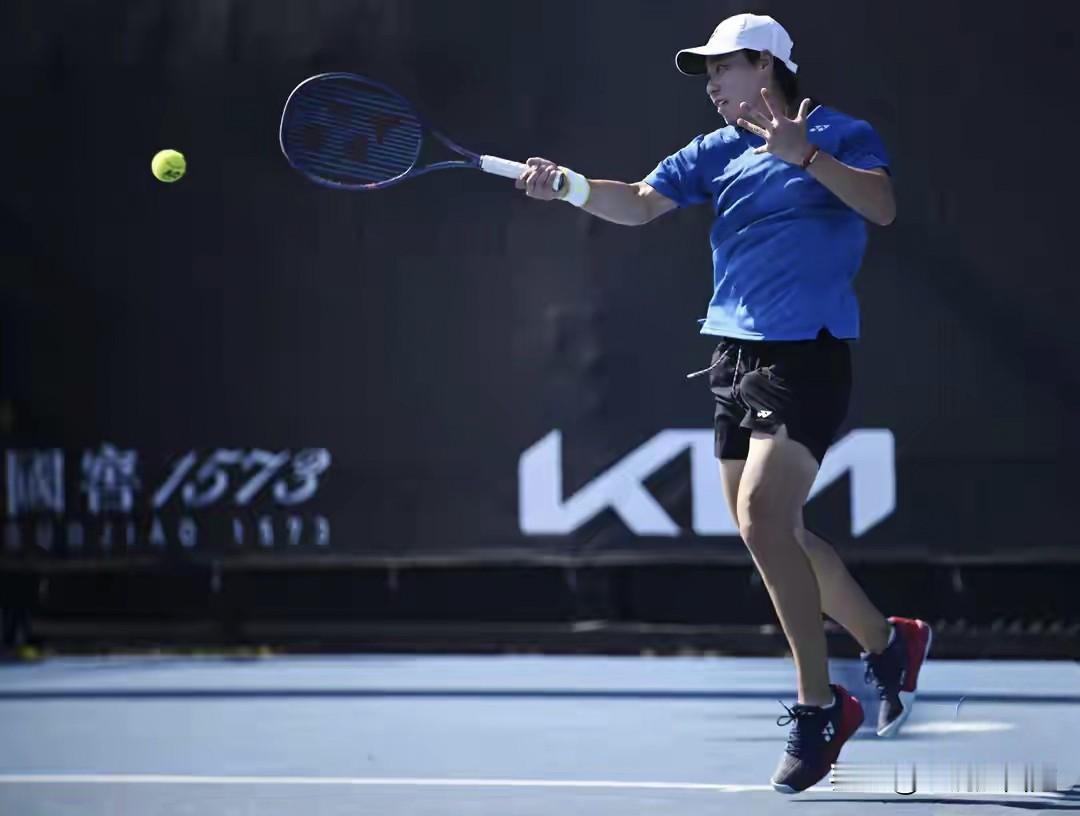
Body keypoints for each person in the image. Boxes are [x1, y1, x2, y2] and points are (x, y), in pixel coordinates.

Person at [515, 12, 932, 794]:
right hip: (732, 358)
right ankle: (888, 642)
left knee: (764, 519)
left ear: (766, 65)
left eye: (723, 68)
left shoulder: (839, 132)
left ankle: (821, 706)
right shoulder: (715, 151)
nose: (711, 84)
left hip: (806, 353)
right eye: (706, 73)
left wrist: (806, 156)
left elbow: (881, 207)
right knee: (775, 532)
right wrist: (567, 186)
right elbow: (639, 202)